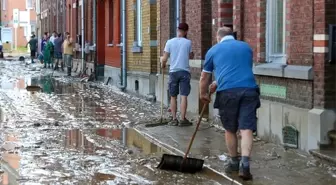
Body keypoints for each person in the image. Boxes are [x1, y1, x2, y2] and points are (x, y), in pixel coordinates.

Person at [199, 27, 260, 181]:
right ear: (232, 36)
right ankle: (245, 164)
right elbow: (236, 69)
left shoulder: (213, 50)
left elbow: (204, 77)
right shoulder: (246, 48)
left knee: (230, 129)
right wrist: (217, 82)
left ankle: (234, 161)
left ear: (218, 37)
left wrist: (203, 94)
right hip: (249, 90)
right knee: (246, 128)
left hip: (228, 94)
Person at [161, 23, 194, 127]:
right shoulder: (188, 42)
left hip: (173, 72)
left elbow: (164, 58)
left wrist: (163, 64)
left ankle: (174, 119)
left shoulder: (169, 42)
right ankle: (183, 119)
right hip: (184, 72)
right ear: (186, 31)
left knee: (173, 96)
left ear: (177, 30)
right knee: (184, 96)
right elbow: (191, 56)